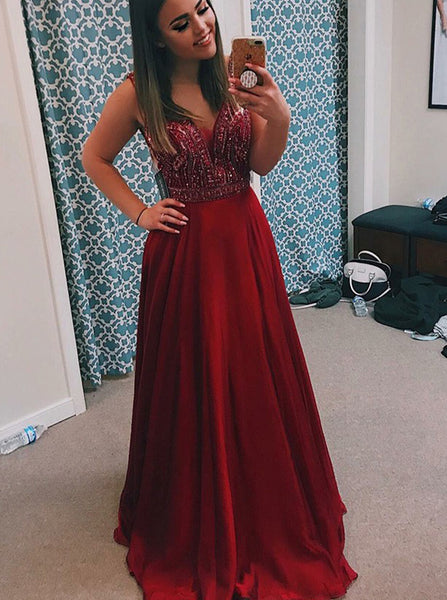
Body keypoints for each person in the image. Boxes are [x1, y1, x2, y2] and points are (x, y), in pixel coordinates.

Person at [82, 1, 358, 598]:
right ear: (157, 39)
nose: (202, 26)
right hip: (185, 253)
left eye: (203, 9)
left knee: (255, 369)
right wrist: (140, 212)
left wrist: (278, 115)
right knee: (195, 376)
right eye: (181, 23)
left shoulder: (235, 80)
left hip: (244, 240)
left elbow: (260, 162)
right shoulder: (137, 93)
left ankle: (262, 493)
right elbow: (94, 157)